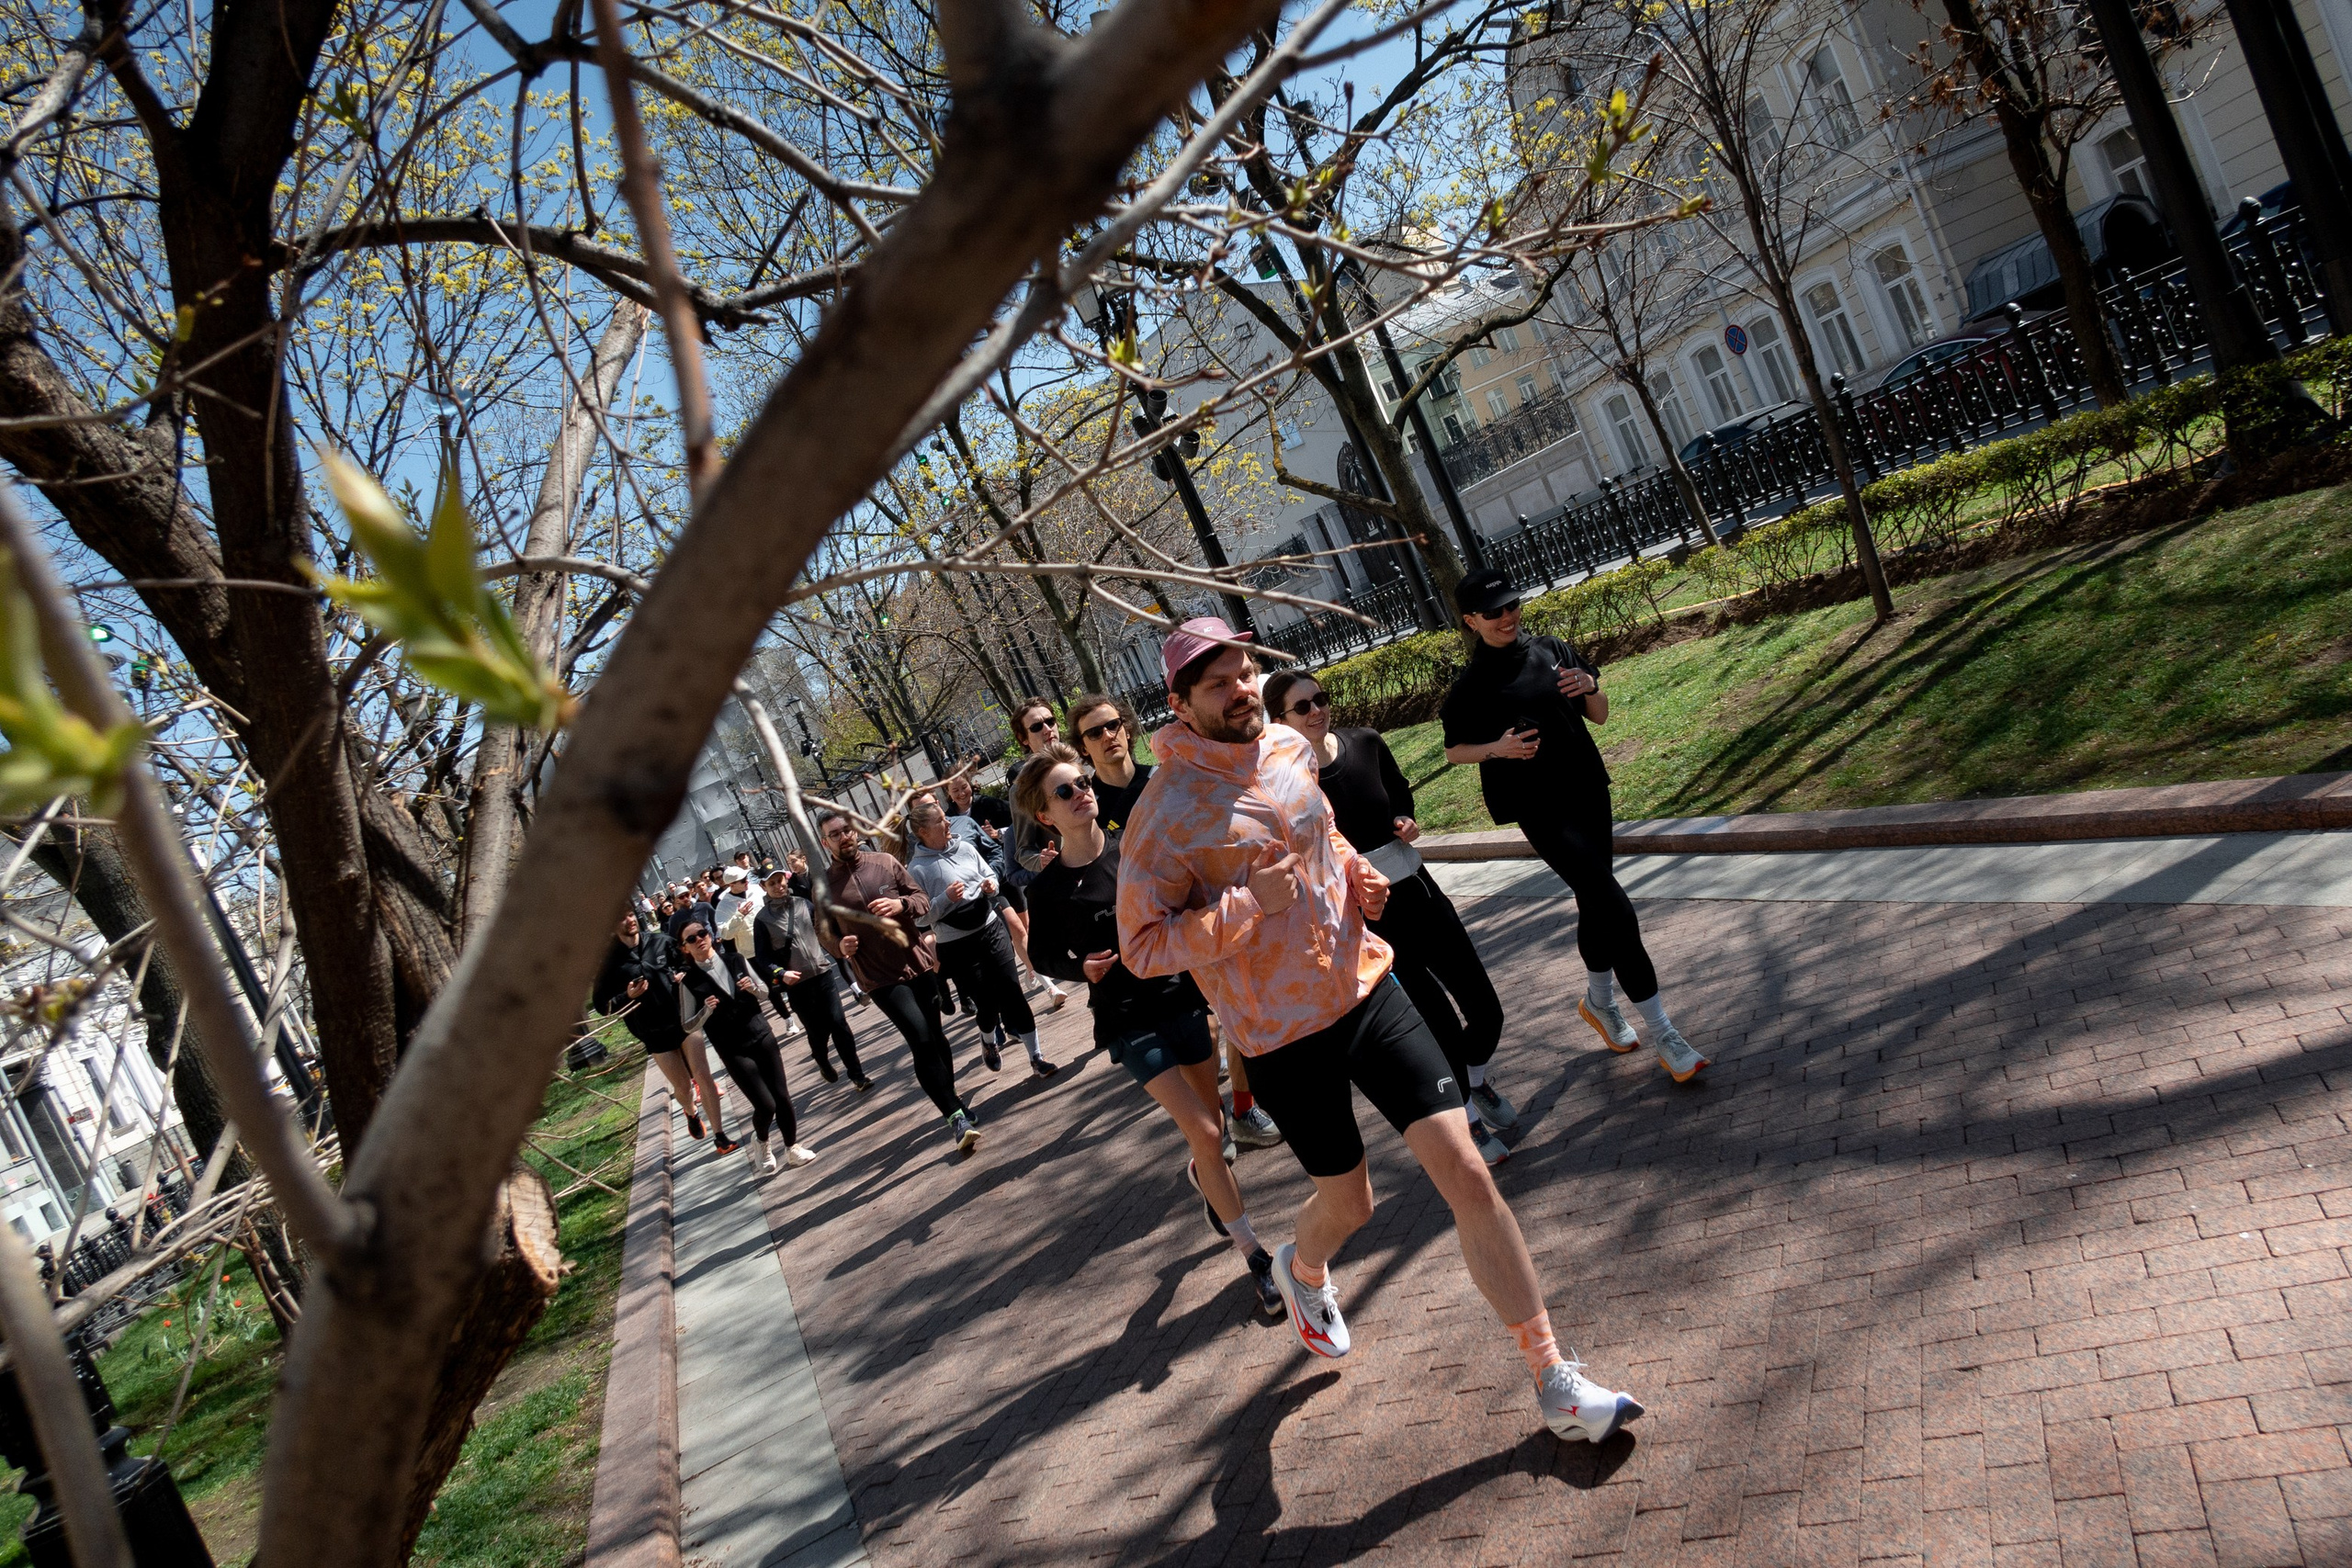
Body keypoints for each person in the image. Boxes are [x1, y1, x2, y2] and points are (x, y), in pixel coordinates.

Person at [1118, 617, 1645, 1444]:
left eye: (1245, 669)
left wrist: (1353, 869)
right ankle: (1304, 1269)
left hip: (1366, 989)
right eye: (1217, 682)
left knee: (1467, 1170)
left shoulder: (1291, 749)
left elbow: (1316, 828)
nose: (1242, 687)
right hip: (1280, 1034)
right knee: (1350, 1200)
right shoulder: (1161, 818)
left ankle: (1553, 1377)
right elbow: (1142, 947)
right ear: (1180, 703)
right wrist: (1252, 906)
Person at [1017, 741, 1283, 1319]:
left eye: (1082, 781)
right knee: (1208, 1135)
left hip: (1180, 998)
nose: (1082, 792)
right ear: (1045, 815)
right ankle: (1256, 1257)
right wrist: (1079, 969)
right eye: (1065, 790)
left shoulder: (1136, 852)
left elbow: (1185, 908)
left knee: (1210, 1132)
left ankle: (1205, 1177)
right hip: (1125, 1019)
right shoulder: (1046, 889)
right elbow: (1042, 955)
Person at [1439, 569, 1706, 1083]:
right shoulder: (1470, 688)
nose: (1507, 617)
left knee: (1595, 900)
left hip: (1588, 790)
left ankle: (1599, 1001)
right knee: (1613, 903)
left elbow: (1600, 715)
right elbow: (1454, 751)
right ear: (1471, 621)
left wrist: (1589, 686)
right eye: (1493, 612)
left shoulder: (1551, 649)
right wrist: (1497, 749)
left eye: (1512, 605)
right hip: (1540, 808)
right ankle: (1666, 1035)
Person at [1265, 667, 1514, 1166]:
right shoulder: (1283, 782)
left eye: (1321, 699)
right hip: (1368, 915)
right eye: (1302, 706)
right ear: (1278, 720)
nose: (1317, 711)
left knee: (1486, 1009)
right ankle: (1467, 1118)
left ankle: (1476, 1081)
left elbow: (1398, 796)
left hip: (1419, 894)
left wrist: (1404, 821)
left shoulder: (1366, 742)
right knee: (1438, 1020)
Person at [1068, 691, 1280, 1157]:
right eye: (1094, 733)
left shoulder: (1167, 780)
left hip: (1202, 916)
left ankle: (1242, 1111)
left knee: (1233, 1016)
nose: (1107, 737)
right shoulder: (1087, 807)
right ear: (1082, 746)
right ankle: (1212, 1132)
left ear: (1126, 728)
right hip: (1155, 938)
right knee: (1199, 1039)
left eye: (1112, 725)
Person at [816, 809, 982, 1151]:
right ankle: (954, 1116)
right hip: (879, 977)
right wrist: (840, 946)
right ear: (825, 842)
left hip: (917, 964)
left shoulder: (885, 863)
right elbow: (824, 934)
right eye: (835, 834)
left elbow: (921, 900)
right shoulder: (824, 887)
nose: (844, 837)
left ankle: (952, 1098)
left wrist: (900, 904)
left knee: (935, 1038)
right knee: (920, 1039)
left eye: (847, 830)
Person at [906, 800, 1059, 1077]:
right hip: (957, 945)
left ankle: (1037, 1057)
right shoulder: (916, 869)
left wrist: (991, 884)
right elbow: (920, 918)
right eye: (941, 820)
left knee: (1013, 991)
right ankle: (988, 1039)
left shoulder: (964, 847)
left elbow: (987, 872)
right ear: (922, 831)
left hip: (990, 929)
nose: (948, 822)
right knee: (988, 1004)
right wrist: (945, 899)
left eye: (946, 817)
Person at [674, 918, 815, 1173]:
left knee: (782, 1096)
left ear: (711, 935)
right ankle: (761, 1141)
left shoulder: (736, 960)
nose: (699, 940)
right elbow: (687, 1025)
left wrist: (753, 988)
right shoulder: (689, 981)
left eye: (702, 933)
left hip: (761, 1035)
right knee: (765, 1104)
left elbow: (764, 991)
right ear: (684, 948)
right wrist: (705, 1012)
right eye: (691, 939)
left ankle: (792, 1148)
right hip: (732, 1048)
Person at [593, 910, 729, 1145]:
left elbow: (688, 965)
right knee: (683, 1088)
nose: (630, 920)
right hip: (653, 1032)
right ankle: (691, 1112)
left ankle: (720, 1135)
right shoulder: (609, 963)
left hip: (684, 1020)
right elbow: (602, 1006)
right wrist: (627, 996)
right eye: (622, 917)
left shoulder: (661, 942)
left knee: (703, 1076)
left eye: (631, 914)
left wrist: (682, 975)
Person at [752, 868, 869, 1090]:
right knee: (818, 1032)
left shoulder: (804, 904)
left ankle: (858, 1075)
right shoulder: (762, 920)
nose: (778, 886)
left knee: (839, 1023)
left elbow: (827, 930)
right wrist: (781, 973)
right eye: (772, 884)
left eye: (780, 881)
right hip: (798, 985)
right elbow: (762, 957)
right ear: (763, 887)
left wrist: (839, 944)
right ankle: (822, 1060)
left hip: (823, 974)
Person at [1004, 698, 1073, 1010]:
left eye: (1050, 720)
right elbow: (1022, 850)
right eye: (1036, 726)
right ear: (1023, 738)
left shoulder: (1081, 759)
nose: (1047, 729)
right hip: (1072, 882)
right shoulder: (1022, 789)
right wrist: (1042, 861)